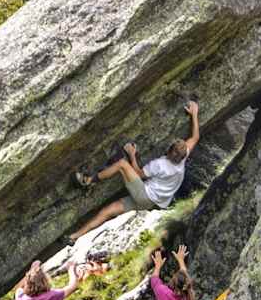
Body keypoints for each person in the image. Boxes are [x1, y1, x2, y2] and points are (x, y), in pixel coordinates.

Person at [67, 101, 200, 244]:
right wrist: (194, 114)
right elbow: (195, 137)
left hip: (144, 194)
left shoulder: (160, 165)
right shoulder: (182, 158)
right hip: (149, 203)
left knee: (122, 165)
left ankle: (88, 181)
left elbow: (138, 173)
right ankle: (74, 237)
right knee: (107, 211)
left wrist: (132, 154)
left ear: (169, 151)